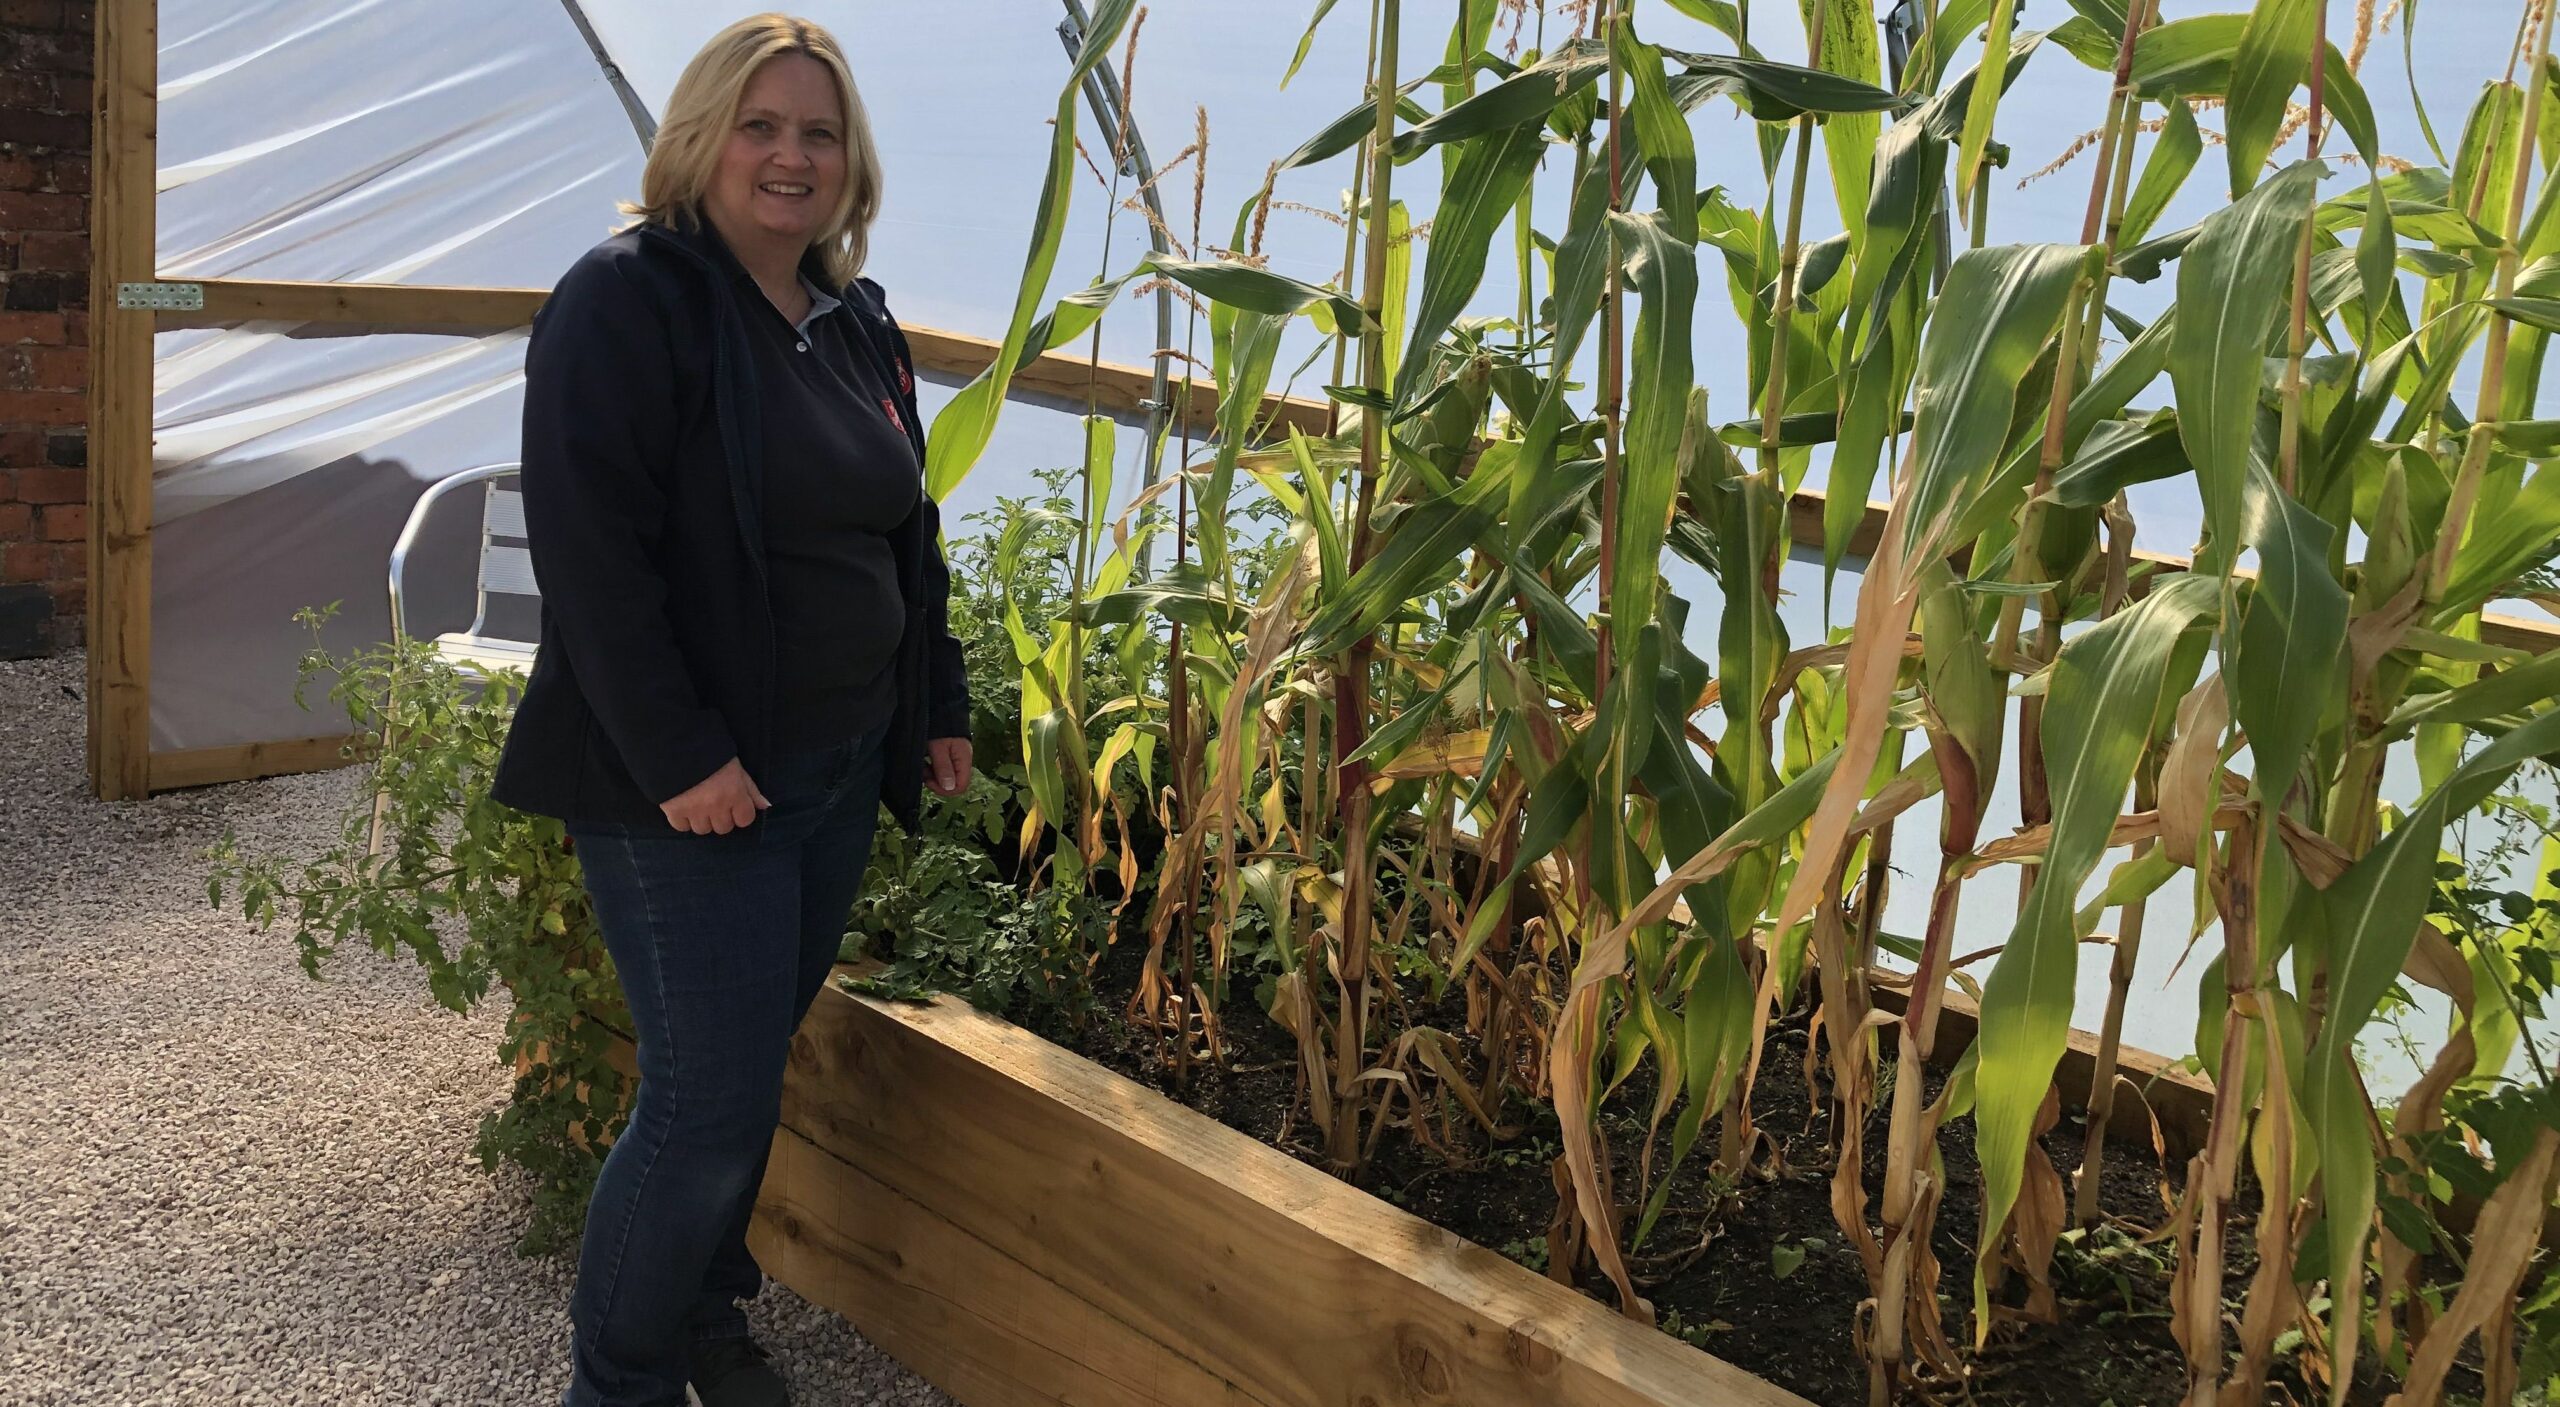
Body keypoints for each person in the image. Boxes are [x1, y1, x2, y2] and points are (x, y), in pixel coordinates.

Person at [487, 14, 972, 1406]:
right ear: (702, 137)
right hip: (684, 792)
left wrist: (932, 702)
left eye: (819, 133)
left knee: (746, 1073)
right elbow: (593, 555)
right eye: (761, 126)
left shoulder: (851, 319)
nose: (791, 155)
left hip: (823, 775)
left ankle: (705, 1313)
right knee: (703, 1102)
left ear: (850, 163)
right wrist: (684, 755)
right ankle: (619, 1381)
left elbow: (905, 536)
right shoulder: (628, 300)